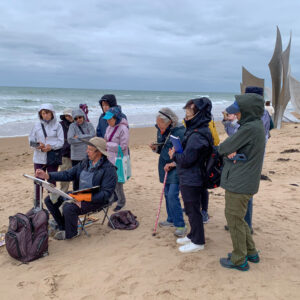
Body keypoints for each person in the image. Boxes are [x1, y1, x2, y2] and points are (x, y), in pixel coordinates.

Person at [36, 137, 118, 240]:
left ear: (99, 152)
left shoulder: (109, 170)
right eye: (87, 148)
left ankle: (72, 233)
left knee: (68, 207)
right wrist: (48, 176)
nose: (86, 151)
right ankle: (63, 227)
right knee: (50, 200)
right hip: (79, 195)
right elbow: (68, 174)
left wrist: (83, 197)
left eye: (90, 150)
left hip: (96, 200)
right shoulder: (85, 163)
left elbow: (106, 194)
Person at [218, 92, 265, 271]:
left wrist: (229, 150)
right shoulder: (255, 125)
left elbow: (224, 147)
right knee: (239, 218)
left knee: (234, 219)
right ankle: (251, 252)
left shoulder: (249, 128)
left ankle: (239, 259)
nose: (236, 115)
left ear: (247, 111)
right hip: (247, 180)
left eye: (238, 112)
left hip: (240, 181)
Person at [169, 97, 213, 253]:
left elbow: (187, 160)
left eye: (189, 112)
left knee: (193, 209)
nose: (186, 115)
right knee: (189, 208)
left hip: (193, 177)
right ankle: (193, 234)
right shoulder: (195, 130)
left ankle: (198, 241)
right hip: (189, 176)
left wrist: (174, 154)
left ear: (199, 114)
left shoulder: (198, 134)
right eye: (186, 111)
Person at [150, 108, 186, 237]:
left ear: (170, 121)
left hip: (176, 167)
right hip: (164, 167)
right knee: (166, 193)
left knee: (172, 195)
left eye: (160, 124)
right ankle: (171, 219)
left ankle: (180, 225)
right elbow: (162, 150)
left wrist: (174, 163)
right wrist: (155, 148)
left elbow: (184, 154)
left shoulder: (180, 132)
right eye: (157, 123)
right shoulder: (161, 130)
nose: (158, 126)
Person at [29, 103, 64, 205]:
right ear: (40, 114)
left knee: (51, 181)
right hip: (39, 158)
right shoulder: (36, 126)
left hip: (52, 158)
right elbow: (31, 141)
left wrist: (51, 147)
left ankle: (53, 203)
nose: (45, 115)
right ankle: (38, 205)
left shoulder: (58, 126)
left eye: (47, 113)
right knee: (38, 182)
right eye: (43, 113)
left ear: (52, 113)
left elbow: (61, 142)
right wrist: (38, 146)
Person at [104, 106, 130, 211]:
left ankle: (121, 202)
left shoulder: (123, 128)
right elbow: (105, 139)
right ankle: (111, 199)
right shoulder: (109, 127)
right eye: (107, 119)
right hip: (109, 157)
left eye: (110, 119)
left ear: (116, 118)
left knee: (118, 183)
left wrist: (107, 145)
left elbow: (123, 146)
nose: (108, 121)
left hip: (118, 159)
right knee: (109, 181)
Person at [67, 108, 95, 180]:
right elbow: (70, 139)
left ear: (83, 116)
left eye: (80, 117)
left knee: (88, 177)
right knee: (76, 178)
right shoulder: (72, 126)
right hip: (76, 157)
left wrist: (78, 137)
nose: (78, 119)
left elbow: (92, 136)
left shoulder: (89, 125)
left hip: (88, 155)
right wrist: (86, 138)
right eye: (76, 118)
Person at [59, 109, 73, 193]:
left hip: (77, 154)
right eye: (67, 115)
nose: (69, 117)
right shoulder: (60, 125)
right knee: (65, 177)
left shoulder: (77, 124)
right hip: (65, 154)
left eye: (70, 115)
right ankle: (63, 194)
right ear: (64, 116)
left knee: (77, 176)